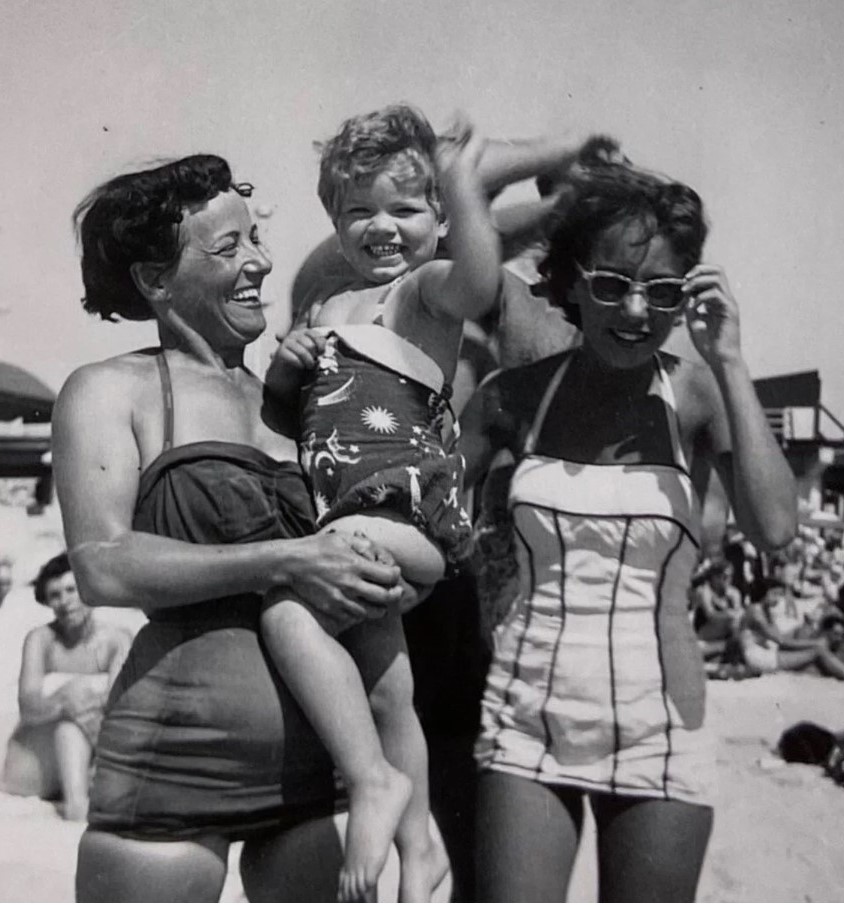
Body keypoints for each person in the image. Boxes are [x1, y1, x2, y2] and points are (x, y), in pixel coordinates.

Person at [56, 154, 409, 902]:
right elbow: (103, 565)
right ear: (155, 279)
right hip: (177, 761)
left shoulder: (301, 397)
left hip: (314, 774)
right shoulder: (111, 389)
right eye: (228, 249)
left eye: (257, 238)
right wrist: (284, 559)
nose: (260, 262)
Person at [460, 158, 797, 901]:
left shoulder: (697, 392)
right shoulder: (509, 398)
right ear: (570, 283)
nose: (637, 310)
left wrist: (732, 362)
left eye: (664, 291)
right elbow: (424, 516)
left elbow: (773, 527)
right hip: (526, 714)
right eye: (612, 284)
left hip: (664, 721)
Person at [263, 104, 504, 902]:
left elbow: (478, 280)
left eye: (405, 208)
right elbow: (286, 417)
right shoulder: (327, 309)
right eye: (358, 211)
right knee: (386, 689)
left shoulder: (424, 292)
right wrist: (288, 365)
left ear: (438, 216)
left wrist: (466, 184)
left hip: (401, 511)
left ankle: (370, 782)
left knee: (289, 618)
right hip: (350, 520)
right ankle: (421, 843)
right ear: (333, 220)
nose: (381, 228)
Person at [2, 553, 130, 820]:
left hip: (96, 748)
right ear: (47, 601)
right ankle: (77, 807)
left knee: (82, 714)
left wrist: (79, 702)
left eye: (72, 590)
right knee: (69, 724)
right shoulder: (41, 640)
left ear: (88, 590)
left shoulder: (116, 640)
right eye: (55, 595)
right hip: (35, 761)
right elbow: (28, 708)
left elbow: (121, 703)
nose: (65, 601)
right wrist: (66, 702)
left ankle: (83, 799)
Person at [738, 578, 844, 679]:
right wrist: (815, 643)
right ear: (764, 593)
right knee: (817, 652)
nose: (778, 599)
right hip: (758, 657)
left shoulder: (766, 610)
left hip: (767, 652)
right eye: (775, 594)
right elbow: (781, 641)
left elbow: (780, 638)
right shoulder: (755, 611)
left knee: (812, 653)